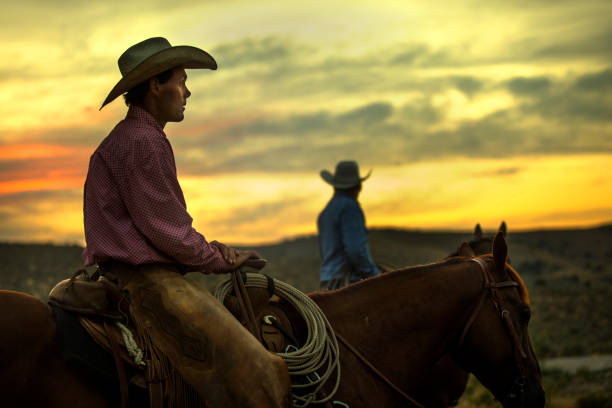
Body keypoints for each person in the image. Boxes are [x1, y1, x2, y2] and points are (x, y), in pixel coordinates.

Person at [83, 37, 290, 407]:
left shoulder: (124, 138)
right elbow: (166, 229)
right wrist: (219, 259)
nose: (187, 92)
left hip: (117, 273)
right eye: (181, 81)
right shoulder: (144, 140)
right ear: (155, 85)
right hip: (145, 279)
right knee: (247, 365)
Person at [317, 160, 380, 291]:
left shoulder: (325, 212)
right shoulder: (350, 208)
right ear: (357, 186)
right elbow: (355, 250)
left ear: (335, 185)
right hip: (347, 283)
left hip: (327, 282)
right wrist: (373, 275)